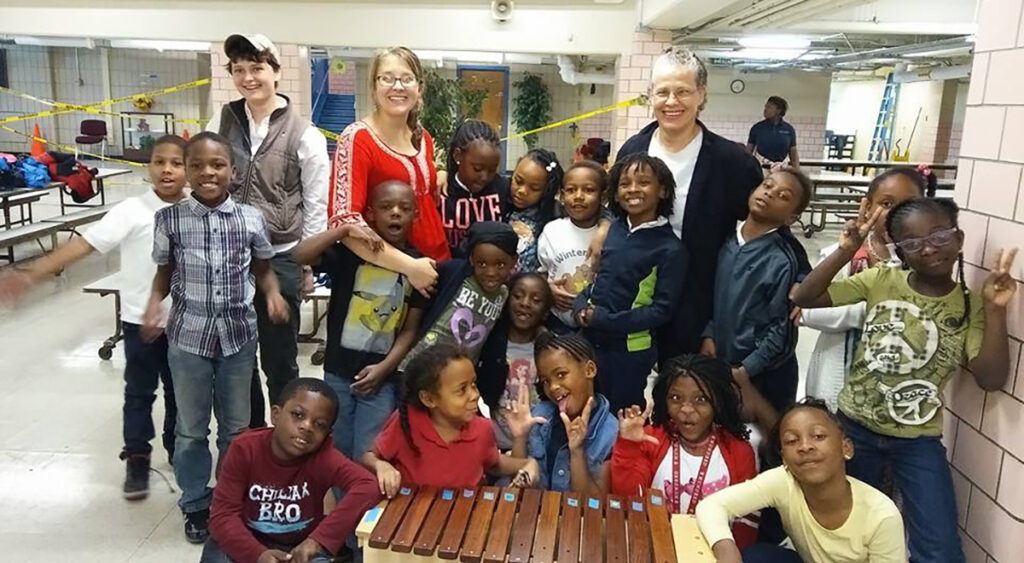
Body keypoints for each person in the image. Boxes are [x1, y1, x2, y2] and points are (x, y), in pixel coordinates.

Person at [791, 198, 1017, 562]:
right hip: (854, 429)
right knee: (846, 532)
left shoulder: (970, 305)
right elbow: (806, 297)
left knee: (940, 548)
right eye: (912, 243)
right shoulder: (882, 279)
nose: (928, 248)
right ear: (900, 251)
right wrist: (846, 251)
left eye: (939, 236)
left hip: (917, 439)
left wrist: (994, 310)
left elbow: (990, 378)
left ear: (959, 238)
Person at [0, 134, 187, 500]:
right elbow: (84, 245)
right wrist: (30, 275)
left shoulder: (197, 209)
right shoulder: (131, 211)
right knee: (139, 394)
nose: (167, 170)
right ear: (148, 167)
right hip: (139, 323)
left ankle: (179, 450)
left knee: (182, 394)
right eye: (159, 162)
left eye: (176, 163)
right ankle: (137, 458)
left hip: (186, 324)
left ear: (189, 170)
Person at [616, 46, 808, 363]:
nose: (671, 101)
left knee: (684, 383)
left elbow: (767, 223)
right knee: (627, 379)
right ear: (651, 95)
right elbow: (615, 213)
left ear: (701, 94)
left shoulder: (732, 163)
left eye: (683, 91)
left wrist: (800, 274)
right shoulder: (633, 152)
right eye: (662, 92)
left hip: (696, 300)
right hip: (633, 295)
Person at [143, 132, 290, 543]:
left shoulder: (250, 218)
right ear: (187, 172)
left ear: (233, 171)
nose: (208, 172)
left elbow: (263, 268)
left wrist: (273, 294)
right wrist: (153, 304)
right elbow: (164, 273)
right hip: (188, 338)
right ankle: (195, 501)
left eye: (217, 165)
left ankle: (228, 500)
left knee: (236, 428)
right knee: (191, 429)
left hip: (238, 337)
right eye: (197, 165)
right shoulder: (169, 220)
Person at [206, 34, 329, 428]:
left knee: (279, 359)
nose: (248, 77)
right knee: (236, 357)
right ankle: (252, 435)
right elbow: (204, 179)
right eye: (239, 69)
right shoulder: (221, 121)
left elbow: (316, 204)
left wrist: (307, 263)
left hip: (281, 257)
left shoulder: (304, 133)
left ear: (276, 72)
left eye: (257, 68)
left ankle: (285, 436)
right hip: (229, 258)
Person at [291, 180, 418, 462]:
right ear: (370, 213)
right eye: (386, 207)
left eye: (404, 208)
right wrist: (344, 230)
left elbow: (410, 329)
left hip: (381, 379)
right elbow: (299, 254)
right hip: (338, 371)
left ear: (415, 215)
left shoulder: (417, 265)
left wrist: (384, 368)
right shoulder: (351, 254)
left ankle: (366, 494)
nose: (395, 213)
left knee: (370, 453)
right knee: (337, 451)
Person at [697, 398, 907, 563]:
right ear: (784, 459)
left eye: (818, 436)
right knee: (758, 556)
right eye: (792, 440)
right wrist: (727, 550)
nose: (805, 447)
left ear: (846, 448)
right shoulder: (783, 480)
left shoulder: (882, 516)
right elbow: (711, 506)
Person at [202, 378, 380, 563]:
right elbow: (222, 515)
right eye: (298, 415)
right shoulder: (245, 449)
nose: (307, 427)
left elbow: (368, 485)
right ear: (276, 415)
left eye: (320, 425)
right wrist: (258, 555)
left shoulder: (323, 456)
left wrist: (317, 541)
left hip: (299, 545)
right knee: (218, 551)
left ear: (327, 435)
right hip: (247, 537)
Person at [801, 166, 928, 410]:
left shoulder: (925, 264)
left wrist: (852, 311)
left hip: (893, 386)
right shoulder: (841, 254)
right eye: (887, 204)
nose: (896, 213)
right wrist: (876, 312)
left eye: (909, 205)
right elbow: (809, 313)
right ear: (867, 206)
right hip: (835, 372)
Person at [328, 46, 448, 294]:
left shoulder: (423, 138)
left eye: (407, 79)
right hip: (383, 279)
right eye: (387, 78)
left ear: (419, 87)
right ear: (374, 87)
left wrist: (441, 173)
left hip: (433, 267)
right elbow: (344, 223)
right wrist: (409, 267)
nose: (398, 86)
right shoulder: (357, 138)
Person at [574, 153, 687, 414]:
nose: (633, 189)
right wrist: (580, 304)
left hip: (628, 352)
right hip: (589, 340)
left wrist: (605, 320)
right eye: (625, 184)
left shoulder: (670, 248)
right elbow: (598, 280)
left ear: (663, 191)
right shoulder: (613, 230)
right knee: (585, 409)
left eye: (644, 182)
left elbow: (661, 310)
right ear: (615, 194)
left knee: (620, 417)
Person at [611, 355, 759, 548]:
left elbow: (746, 521)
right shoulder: (651, 439)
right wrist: (628, 447)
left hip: (714, 552)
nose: (687, 409)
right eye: (676, 398)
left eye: (701, 399)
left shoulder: (739, 451)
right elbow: (629, 502)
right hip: (655, 545)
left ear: (718, 401)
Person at [700, 166, 812, 412]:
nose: (769, 193)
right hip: (720, 362)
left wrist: (747, 369)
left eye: (783, 196)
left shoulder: (784, 259)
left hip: (764, 375)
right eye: (767, 185)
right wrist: (709, 334)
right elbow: (714, 297)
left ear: (792, 218)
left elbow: (782, 330)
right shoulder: (725, 240)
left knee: (767, 433)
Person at [362, 344, 540, 495]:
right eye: (462, 390)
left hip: (463, 517)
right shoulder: (406, 421)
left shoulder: (482, 428)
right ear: (429, 399)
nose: (474, 395)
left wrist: (527, 464)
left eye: (473, 384)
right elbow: (368, 457)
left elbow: (493, 462)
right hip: (412, 518)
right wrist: (381, 466)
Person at [386, 221, 518, 374]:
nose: (490, 272)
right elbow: (413, 320)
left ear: (514, 261)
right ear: (471, 259)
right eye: (482, 264)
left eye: (500, 265)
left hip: (457, 377)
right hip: (418, 370)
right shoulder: (452, 273)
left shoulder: (504, 294)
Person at [506, 331, 617, 495]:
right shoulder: (540, 415)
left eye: (561, 374)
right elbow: (516, 490)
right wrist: (519, 438)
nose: (553, 387)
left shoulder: (612, 434)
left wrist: (577, 451)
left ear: (589, 370)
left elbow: (596, 504)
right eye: (546, 381)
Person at [476, 272, 554, 449]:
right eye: (518, 296)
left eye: (536, 300)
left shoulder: (551, 349)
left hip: (537, 447)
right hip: (494, 446)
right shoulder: (488, 342)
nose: (525, 303)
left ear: (545, 311)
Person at [537, 160, 606, 330]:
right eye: (571, 190)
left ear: (603, 197)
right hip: (556, 322)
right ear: (562, 196)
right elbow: (542, 271)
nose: (578, 196)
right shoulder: (552, 231)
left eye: (588, 190)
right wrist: (547, 290)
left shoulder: (608, 234)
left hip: (597, 324)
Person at [439, 119, 504, 257]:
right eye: (477, 168)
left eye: (492, 170)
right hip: (448, 267)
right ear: (457, 156)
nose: (484, 177)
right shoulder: (441, 190)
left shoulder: (502, 188)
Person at [503, 149, 563, 273]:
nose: (522, 191)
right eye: (518, 181)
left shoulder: (554, 213)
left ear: (546, 191)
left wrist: (603, 227)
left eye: (534, 188)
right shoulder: (499, 196)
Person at [746, 96, 800, 167]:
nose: (765, 110)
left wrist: (796, 171)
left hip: (781, 167)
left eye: (769, 107)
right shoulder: (757, 128)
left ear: (779, 110)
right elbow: (748, 152)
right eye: (765, 107)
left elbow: (793, 154)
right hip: (761, 167)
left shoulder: (789, 129)